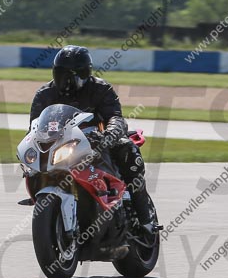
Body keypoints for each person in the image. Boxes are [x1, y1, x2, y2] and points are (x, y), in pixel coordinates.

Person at [29, 45, 157, 232]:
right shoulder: (45, 94)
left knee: (128, 149)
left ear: (85, 73)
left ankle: (145, 218)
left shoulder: (100, 89)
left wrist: (109, 134)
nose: (68, 80)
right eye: (62, 74)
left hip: (97, 141)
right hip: (63, 145)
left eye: (74, 74)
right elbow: (34, 127)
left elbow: (115, 117)